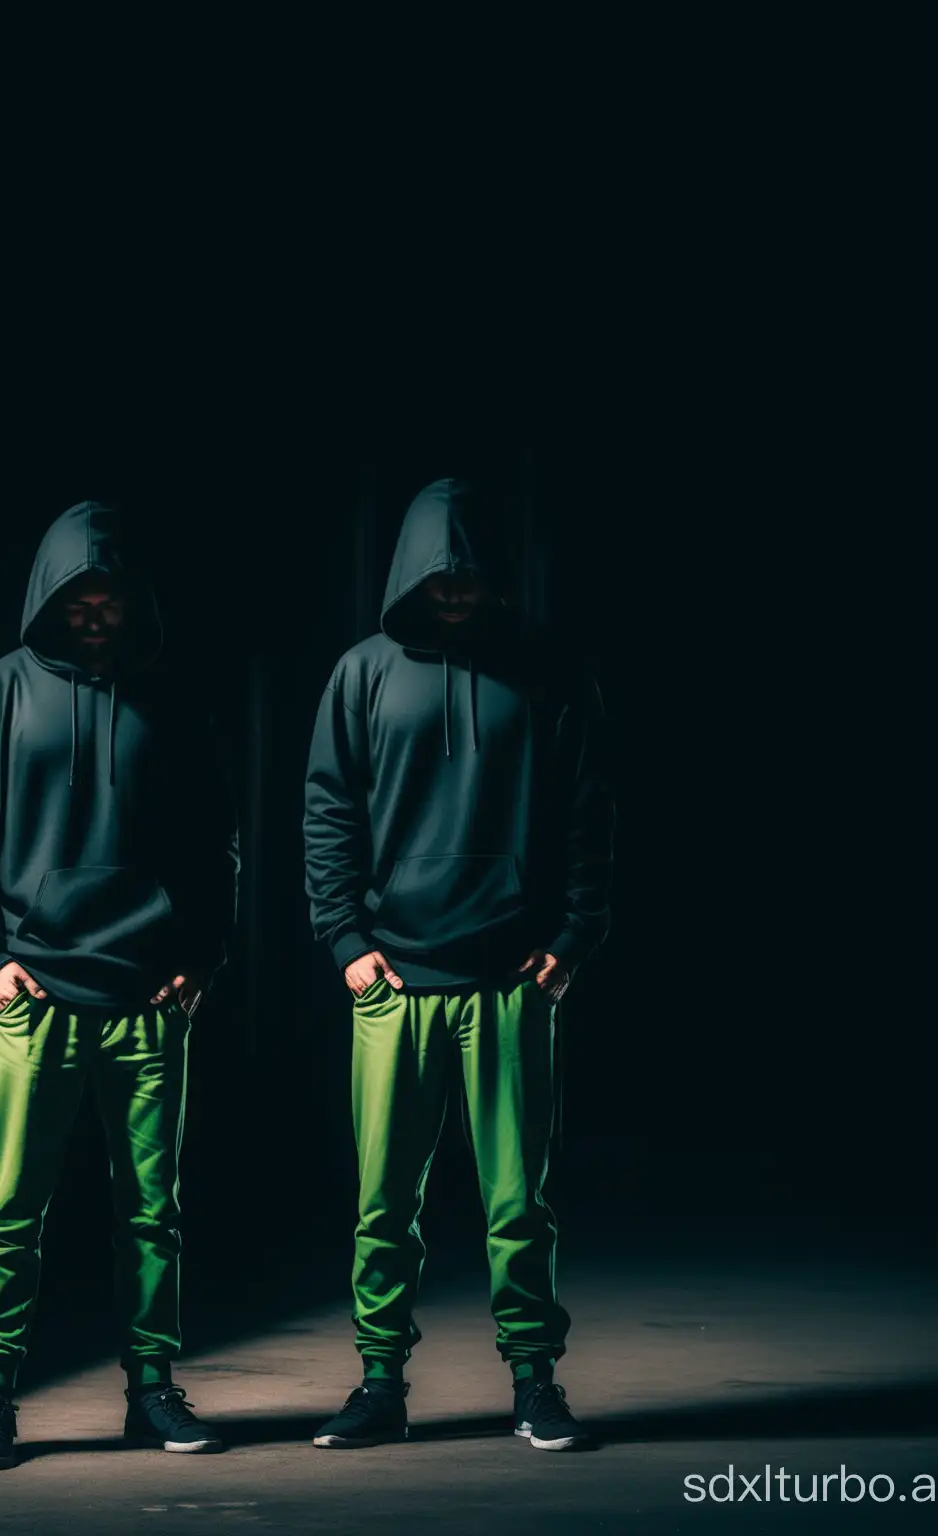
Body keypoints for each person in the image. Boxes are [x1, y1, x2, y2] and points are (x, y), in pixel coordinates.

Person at [303, 476, 614, 1453]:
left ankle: (534, 1380)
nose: (451, 592)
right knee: (383, 1203)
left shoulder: (551, 670)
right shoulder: (361, 674)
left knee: (520, 1201)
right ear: (409, 574)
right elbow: (328, 811)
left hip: (510, 986)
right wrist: (347, 944)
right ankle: (379, 1383)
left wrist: (570, 943)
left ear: (490, 576)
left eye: (466, 576)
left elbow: (588, 813)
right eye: (436, 577)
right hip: (393, 986)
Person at [0, 500, 239, 1470]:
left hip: (148, 1001)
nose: (95, 613)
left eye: (109, 597)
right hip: (32, 1004)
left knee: (153, 1214)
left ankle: (151, 1391)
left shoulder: (171, 700)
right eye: (79, 597)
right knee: (10, 1210)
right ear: (51, 598)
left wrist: (201, 960)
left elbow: (212, 844)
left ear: (130, 602)